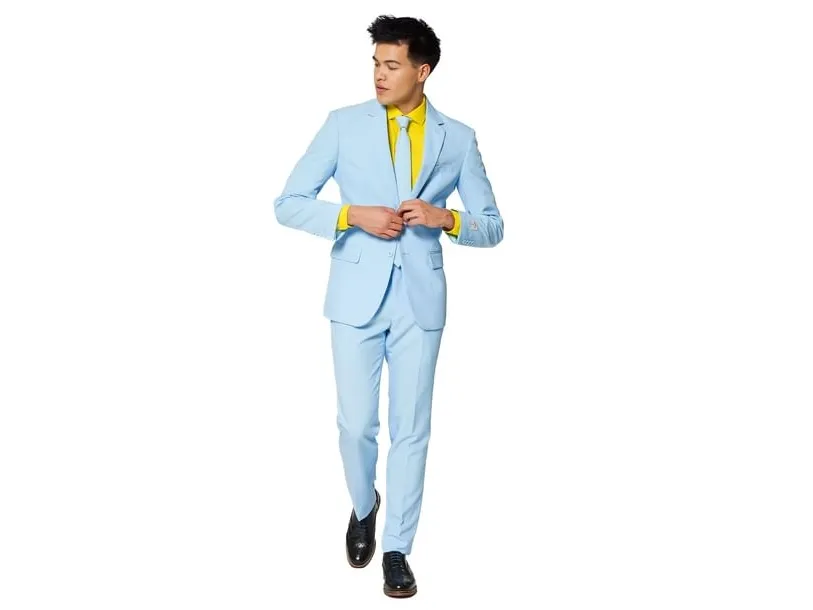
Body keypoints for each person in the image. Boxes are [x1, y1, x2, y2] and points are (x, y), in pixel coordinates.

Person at [273, 14, 504, 598]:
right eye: (376, 63)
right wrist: (351, 215)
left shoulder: (458, 138)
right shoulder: (342, 125)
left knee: (412, 428)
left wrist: (446, 218)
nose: (379, 74)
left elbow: (493, 226)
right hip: (354, 296)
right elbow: (288, 202)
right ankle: (363, 505)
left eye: (392, 65)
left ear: (422, 71)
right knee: (355, 424)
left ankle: (398, 547)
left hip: (420, 302)